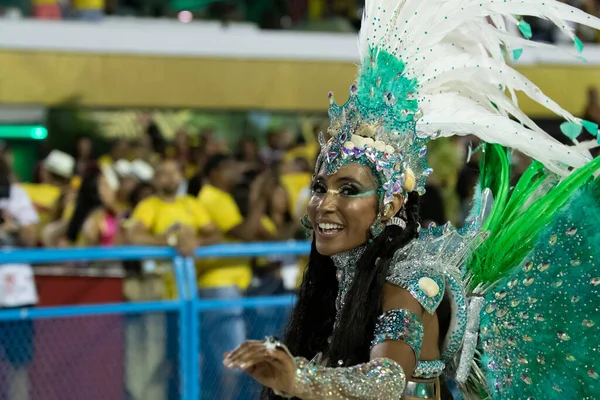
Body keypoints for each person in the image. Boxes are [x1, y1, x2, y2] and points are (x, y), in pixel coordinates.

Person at [223, 1, 600, 400]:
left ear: (388, 206)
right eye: (320, 187)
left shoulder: (411, 280)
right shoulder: (337, 281)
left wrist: (302, 379)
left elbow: (387, 377)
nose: (324, 204)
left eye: (348, 190)